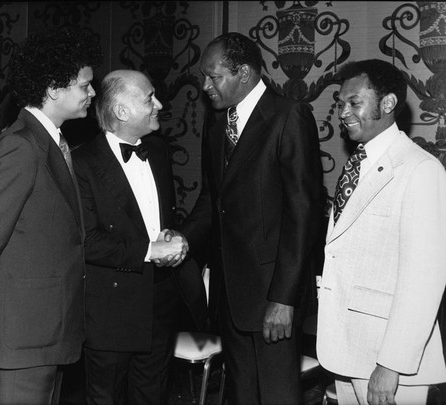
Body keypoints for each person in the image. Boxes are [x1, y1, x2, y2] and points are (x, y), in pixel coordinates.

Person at [0, 27, 102, 405]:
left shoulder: (48, 139)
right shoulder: (20, 147)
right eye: (85, 85)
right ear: (54, 88)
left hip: (46, 329)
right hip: (23, 333)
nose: (92, 93)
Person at [177, 32, 325, 404]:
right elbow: (213, 200)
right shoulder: (215, 122)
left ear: (243, 73)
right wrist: (183, 240)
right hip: (230, 296)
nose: (205, 86)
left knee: (276, 395)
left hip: (273, 297)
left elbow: (302, 214)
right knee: (242, 395)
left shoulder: (289, 116)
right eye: (204, 77)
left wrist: (284, 299)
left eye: (214, 77)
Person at [72, 69, 207, 405]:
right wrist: (151, 250)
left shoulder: (158, 150)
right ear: (121, 111)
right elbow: (87, 241)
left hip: (160, 301)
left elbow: (159, 219)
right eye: (149, 97)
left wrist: (173, 237)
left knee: (153, 395)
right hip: (111, 311)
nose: (158, 104)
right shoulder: (81, 163)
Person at [316, 59, 446, 405]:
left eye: (354, 102)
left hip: (389, 362)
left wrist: (390, 365)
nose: (343, 112)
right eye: (340, 103)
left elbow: (425, 279)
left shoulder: (420, 169)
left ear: (387, 104)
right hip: (347, 349)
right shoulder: (359, 162)